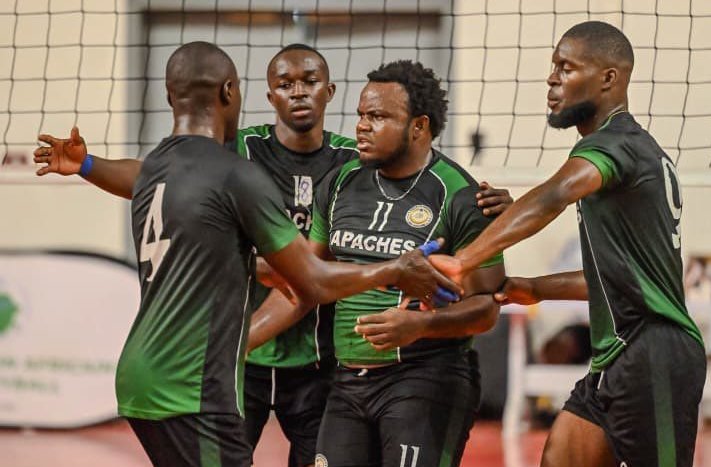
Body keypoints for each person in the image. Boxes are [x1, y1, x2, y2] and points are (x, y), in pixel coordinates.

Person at [34, 44, 512, 467]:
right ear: (255, 95)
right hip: (247, 361)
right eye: (285, 84)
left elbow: (485, 297)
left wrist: (500, 214)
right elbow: (307, 280)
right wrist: (88, 165)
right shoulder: (244, 159)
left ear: (329, 91)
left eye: (310, 82)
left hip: (332, 364)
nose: (298, 93)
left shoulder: (372, 169)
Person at [430, 22, 706, 467]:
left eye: (566, 67)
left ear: (609, 78)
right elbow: (618, 277)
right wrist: (535, 288)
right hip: (615, 356)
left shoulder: (617, 143)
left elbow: (553, 196)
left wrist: (462, 262)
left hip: (655, 352)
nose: (552, 78)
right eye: (553, 66)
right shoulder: (625, 153)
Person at [297, 60, 506, 467]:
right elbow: (310, 277)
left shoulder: (462, 196)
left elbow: (488, 308)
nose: (362, 126)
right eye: (361, 115)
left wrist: (421, 325)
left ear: (418, 126)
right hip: (347, 380)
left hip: (426, 377)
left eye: (377, 116)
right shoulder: (339, 183)